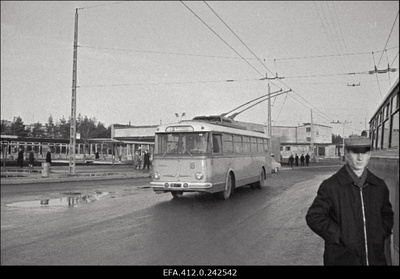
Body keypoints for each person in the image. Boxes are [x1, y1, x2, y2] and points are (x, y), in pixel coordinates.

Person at [305, 136, 394, 265]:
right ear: (346, 154)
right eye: (355, 152)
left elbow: (387, 214)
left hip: (375, 258)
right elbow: (314, 217)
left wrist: (379, 234)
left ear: (369, 155)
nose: (360, 158)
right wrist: (339, 236)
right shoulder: (331, 186)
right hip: (342, 258)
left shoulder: (379, 186)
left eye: (364, 153)